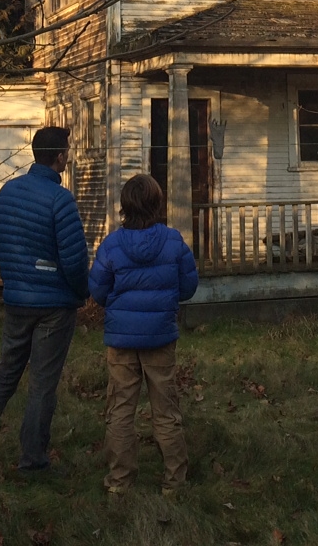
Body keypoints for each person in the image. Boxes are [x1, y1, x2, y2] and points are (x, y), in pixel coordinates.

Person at [0, 125, 89, 471]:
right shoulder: (61, 200)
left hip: (16, 300)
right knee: (42, 384)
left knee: (3, 376)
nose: (69, 155)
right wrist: (82, 291)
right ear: (60, 157)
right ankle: (33, 460)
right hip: (54, 306)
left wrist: (18, 278)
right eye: (68, 150)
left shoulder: (8, 193)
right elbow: (73, 262)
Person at [88, 173, 199, 496]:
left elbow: (98, 290)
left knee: (120, 410)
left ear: (125, 207)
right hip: (161, 338)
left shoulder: (111, 246)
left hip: (121, 342)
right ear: (157, 204)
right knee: (166, 409)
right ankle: (174, 482)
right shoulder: (174, 241)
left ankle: (120, 482)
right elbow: (188, 287)